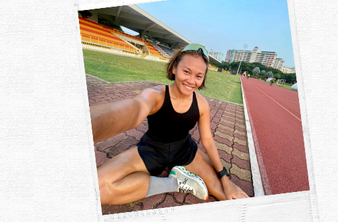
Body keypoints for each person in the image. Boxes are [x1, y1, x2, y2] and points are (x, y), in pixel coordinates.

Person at [90, 43, 249, 206]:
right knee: (97, 190)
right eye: (186, 72)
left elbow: (207, 141)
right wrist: (90, 123)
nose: (191, 81)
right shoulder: (155, 95)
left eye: (199, 76)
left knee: (228, 196)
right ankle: (176, 183)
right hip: (151, 149)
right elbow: (136, 110)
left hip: (185, 151)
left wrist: (226, 180)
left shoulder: (202, 105)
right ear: (174, 68)